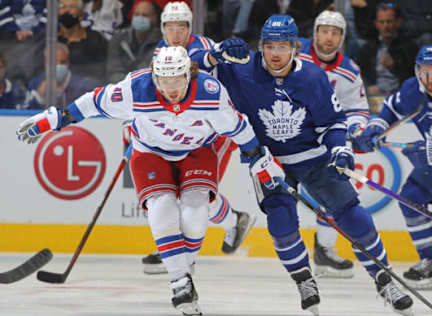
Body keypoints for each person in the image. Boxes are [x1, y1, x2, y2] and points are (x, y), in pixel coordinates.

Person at [16, 45, 284, 316]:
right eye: (164, 81)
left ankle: (185, 269)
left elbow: (237, 127)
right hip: (150, 152)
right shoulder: (136, 88)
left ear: (188, 75)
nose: (171, 88)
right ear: (155, 77)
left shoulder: (210, 92)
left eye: (177, 80)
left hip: (197, 151)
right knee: (161, 206)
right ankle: (180, 281)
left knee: (195, 212)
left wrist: (255, 156)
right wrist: (57, 118)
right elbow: (94, 101)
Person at [191, 14, 413, 315]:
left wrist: (340, 149)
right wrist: (213, 55)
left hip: (312, 157)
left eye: (282, 46)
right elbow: (187, 69)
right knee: (281, 222)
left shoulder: (311, 77)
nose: (275, 54)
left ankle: (385, 279)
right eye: (269, 46)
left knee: (352, 216)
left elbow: (333, 122)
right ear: (262, 47)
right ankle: (304, 280)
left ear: (295, 47)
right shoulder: (240, 69)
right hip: (267, 161)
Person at [353, 43, 432, 290]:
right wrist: (376, 127)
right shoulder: (413, 89)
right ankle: (429, 261)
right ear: (416, 71)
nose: (429, 78)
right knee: (411, 196)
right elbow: (390, 108)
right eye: (424, 71)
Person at [142, 1, 257, 274]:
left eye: (181, 26)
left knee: (197, 192)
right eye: (170, 26)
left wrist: (217, 54)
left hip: (218, 127)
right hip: (188, 129)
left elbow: (203, 59)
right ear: (163, 28)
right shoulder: (162, 51)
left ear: (189, 27)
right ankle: (234, 221)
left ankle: (178, 251)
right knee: (186, 192)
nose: (176, 32)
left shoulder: (202, 45)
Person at [297, 10, 369, 279]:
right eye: (324, 31)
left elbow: (358, 110)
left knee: (333, 189)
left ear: (342, 37)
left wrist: (355, 129)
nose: (329, 38)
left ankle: (324, 251)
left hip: (323, 142)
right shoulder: (294, 53)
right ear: (314, 33)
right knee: (278, 194)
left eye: (335, 32)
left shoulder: (349, 72)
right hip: (286, 137)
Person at [357, 2, 417, 97]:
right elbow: (361, 75)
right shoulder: (368, 48)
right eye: (382, 22)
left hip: (401, 96)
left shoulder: (409, 47)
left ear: (398, 22)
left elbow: (414, 77)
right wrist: (368, 88)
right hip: (375, 97)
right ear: (376, 24)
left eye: (389, 21)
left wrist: (395, 66)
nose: (386, 26)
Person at [24, 42, 95, 109]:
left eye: (63, 62)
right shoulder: (34, 83)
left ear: (68, 63)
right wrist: (39, 96)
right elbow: (24, 112)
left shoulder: (83, 86)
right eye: (54, 62)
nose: (58, 65)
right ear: (46, 63)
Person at [106, 0, 162, 83]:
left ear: (155, 18)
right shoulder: (118, 38)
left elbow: (149, 73)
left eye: (145, 15)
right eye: (136, 14)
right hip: (120, 88)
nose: (140, 18)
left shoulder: (161, 41)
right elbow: (114, 71)